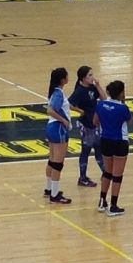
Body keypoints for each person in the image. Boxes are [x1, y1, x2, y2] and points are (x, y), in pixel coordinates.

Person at [94, 80, 133, 217]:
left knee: (107, 172)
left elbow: (95, 122)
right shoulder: (123, 108)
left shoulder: (101, 104)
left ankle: (102, 201)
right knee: (117, 175)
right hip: (120, 142)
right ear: (122, 93)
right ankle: (113, 206)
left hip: (105, 140)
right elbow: (130, 121)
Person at [68, 65, 107, 187]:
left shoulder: (92, 87)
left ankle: (105, 173)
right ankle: (83, 178)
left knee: (99, 148)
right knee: (86, 150)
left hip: (94, 123)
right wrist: (80, 111)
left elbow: (104, 98)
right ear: (83, 78)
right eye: (90, 75)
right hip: (86, 124)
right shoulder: (80, 91)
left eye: (92, 74)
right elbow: (69, 104)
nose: (92, 77)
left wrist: (98, 85)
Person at [44, 67, 73, 204]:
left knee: (52, 159)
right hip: (58, 128)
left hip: (51, 127)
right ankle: (54, 195)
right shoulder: (58, 94)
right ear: (63, 79)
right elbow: (50, 110)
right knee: (58, 163)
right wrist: (64, 121)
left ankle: (49, 189)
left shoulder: (55, 92)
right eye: (67, 76)